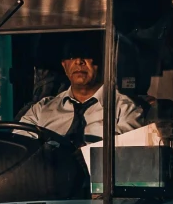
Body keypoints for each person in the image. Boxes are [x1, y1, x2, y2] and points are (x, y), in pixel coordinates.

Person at [17, 50, 146, 146]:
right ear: (64, 66)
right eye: (71, 56)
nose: (78, 61)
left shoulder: (125, 109)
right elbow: (18, 149)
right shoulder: (41, 109)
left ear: (102, 62)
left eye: (86, 54)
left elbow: (126, 157)